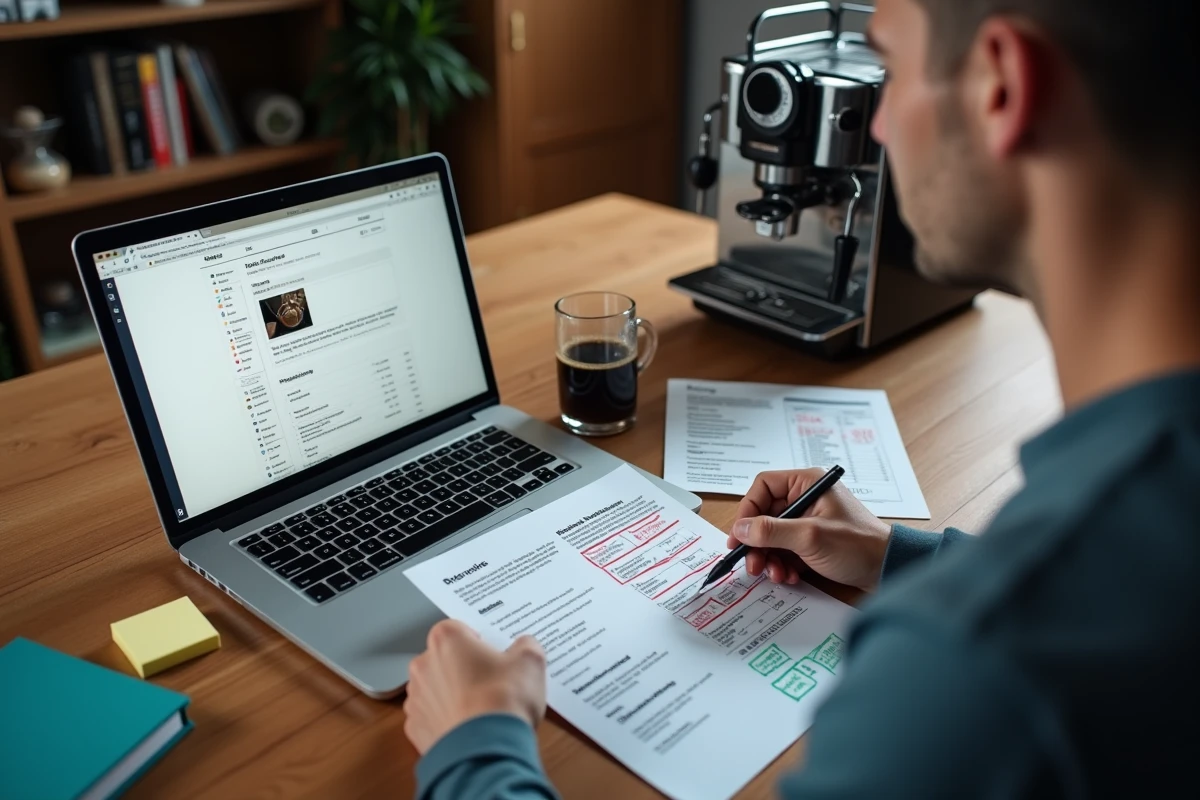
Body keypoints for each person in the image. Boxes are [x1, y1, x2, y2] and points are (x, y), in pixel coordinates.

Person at [402, 0, 1200, 796]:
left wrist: (477, 747)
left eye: (890, 71)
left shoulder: (967, 672)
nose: (876, 127)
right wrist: (895, 555)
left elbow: (1022, 634)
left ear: (1003, 87)